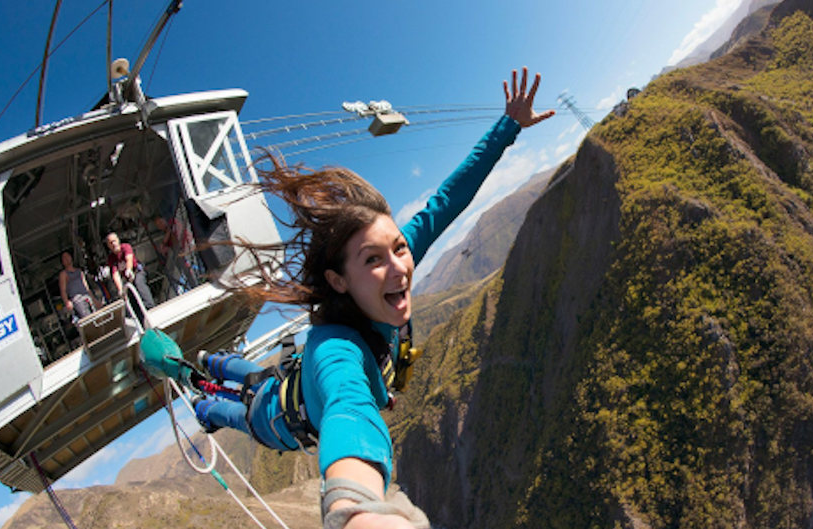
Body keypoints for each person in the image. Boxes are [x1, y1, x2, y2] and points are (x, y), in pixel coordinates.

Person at [189, 68, 553, 529]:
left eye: (399, 248)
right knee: (234, 412)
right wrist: (356, 510)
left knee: (254, 375)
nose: (400, 266)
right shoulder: (336, 350)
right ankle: (202, 397)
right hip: (277, 419)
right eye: (373, 259)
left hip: (287, 379)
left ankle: (215, 363)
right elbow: (347, 409)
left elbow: (447, 200)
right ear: (338, 280)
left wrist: (509, 127)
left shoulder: (391, 264)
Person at [106, 232, 155, 309]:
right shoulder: (111, 258)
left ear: (118, 240)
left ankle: (150, 307)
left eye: (114, 241)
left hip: (137, 272)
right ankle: (139, 315)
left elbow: (129, 259)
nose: (113, 244)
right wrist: (120, 289)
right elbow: (115, 274)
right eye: (111, 243)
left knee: (139, 283)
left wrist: (129, 270)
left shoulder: (125, 247)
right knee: (130, 296)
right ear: (108, 246)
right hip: (129, 279)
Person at [58, 250, 100, 320]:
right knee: (87, 318)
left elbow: (86, 286)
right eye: (64, 258)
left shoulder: (79, 271)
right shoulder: (63, 274)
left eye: (68, 256)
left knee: (96, 316)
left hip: (87, 296)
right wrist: (66, 301)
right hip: (77, 299)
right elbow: (63, 290)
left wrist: (94, 299)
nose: (67, 259)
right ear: (62, 262)